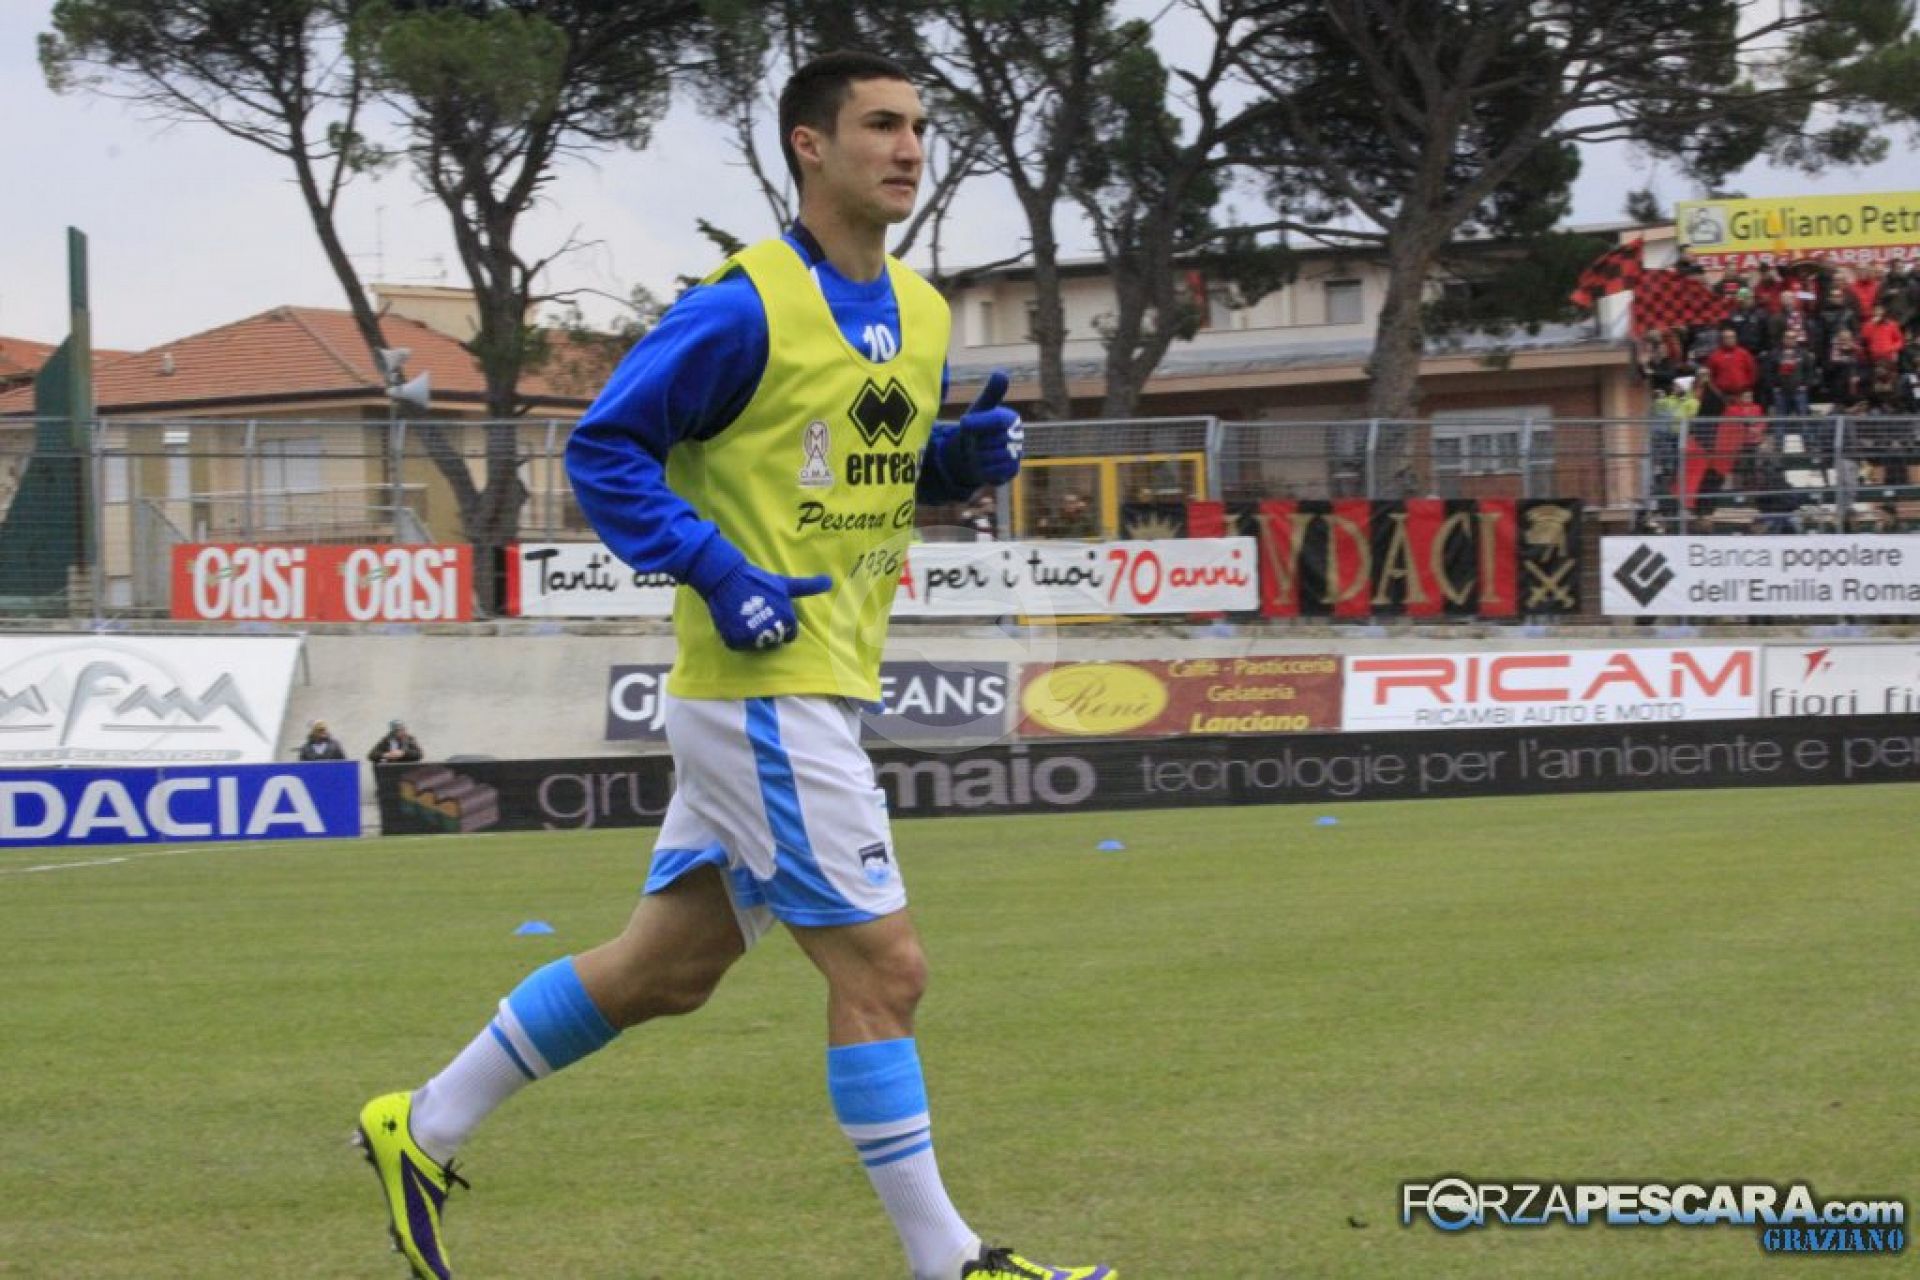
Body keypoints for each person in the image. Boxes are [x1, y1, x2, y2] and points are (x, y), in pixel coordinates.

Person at [352, 51, 1112, 1280]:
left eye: (919, 126)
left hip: (821, 683)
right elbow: (605, 450)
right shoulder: (742, 305)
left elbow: (855, 459)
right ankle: (950, 1261)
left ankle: (420, 1123)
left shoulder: (920, 313)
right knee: (886, 968)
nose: (909, 148)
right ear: (810, 145)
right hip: (764, 691)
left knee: (670, 968)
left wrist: (952, 462)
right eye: (881, 124)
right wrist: (714, 568)